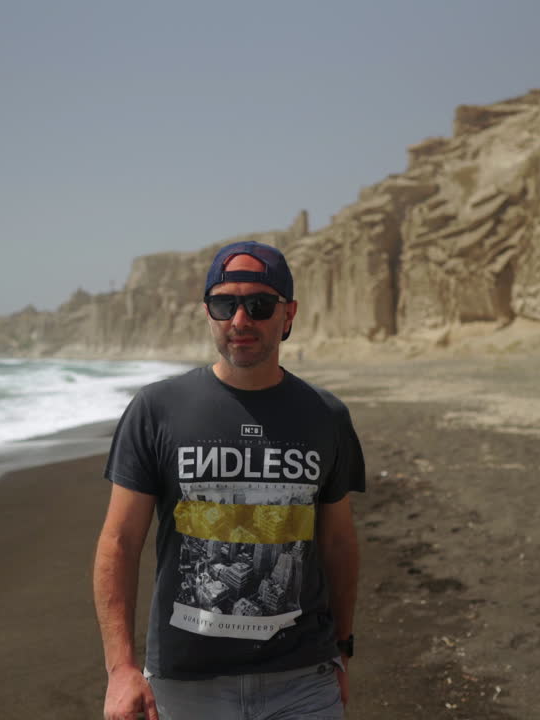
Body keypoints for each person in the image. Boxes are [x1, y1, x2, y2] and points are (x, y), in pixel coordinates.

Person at [94, 240, 365, 720]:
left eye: (259, 305)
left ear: (288, 314)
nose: (241, 321)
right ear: (208, 312)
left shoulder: (326, 416)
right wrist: (120, 670)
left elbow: (339, 541)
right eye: (225, 304)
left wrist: (341, 647)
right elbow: (119, 541)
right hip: (185, 687)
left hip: (304, 681)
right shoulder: (156, 410)